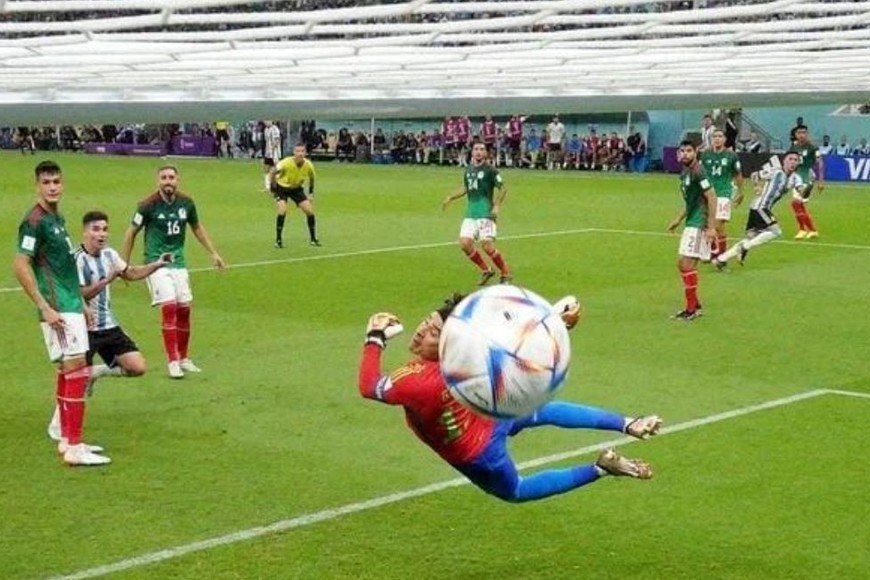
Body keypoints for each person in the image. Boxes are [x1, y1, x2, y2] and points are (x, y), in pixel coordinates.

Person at [358, 294, 661, 503]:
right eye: (427, 322)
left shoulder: (415, 381)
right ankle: (627, 423)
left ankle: (599, 468)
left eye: (433, 332)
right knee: (541, 411)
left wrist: (375, 337)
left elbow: (369, 386)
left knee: (516, 489)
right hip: (488, 412)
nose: (421, 331)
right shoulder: (466, 356)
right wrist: (552, 320)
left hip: (478, 452)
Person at [46, 210, 172, 442]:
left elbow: (131, 273)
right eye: (96, 229)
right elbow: (80, 293)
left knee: (138, 367)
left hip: (109, 326)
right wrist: (108, 279)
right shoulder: (75, 259)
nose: (101, 234)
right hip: (83, 328)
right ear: (85, 232)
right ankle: (57, 423)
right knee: (72, 376)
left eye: (104, 229)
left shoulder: (110, 255)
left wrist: (158, 264)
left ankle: (97, 372)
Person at [13, 161, 108, 466]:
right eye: (46, 182)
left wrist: (80, 302)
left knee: (71, 368)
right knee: (76, 368)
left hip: (69, 303)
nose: (52, 186)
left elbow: (63, 267)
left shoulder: (58, 218)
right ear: (37, 186)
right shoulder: (35, 221)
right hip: (57, 307)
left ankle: (68, 440)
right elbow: (20, 264)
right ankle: (74, 445)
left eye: (56, 181)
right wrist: (44, 306)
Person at [121, 165, 225, 379]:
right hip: (156, 263)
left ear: (178, 180)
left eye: (171, 177)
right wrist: (125, 265)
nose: (168, 181)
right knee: (169, 306)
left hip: (178, 263)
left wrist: (213, 253)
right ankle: (173, 361)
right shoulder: (147, 205)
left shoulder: (186, 203)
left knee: (184, 309)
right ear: (158, 180)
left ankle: (184, 358)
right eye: (164, 178)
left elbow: (197, 227)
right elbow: (131, 232)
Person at [714, 152, 804, 268]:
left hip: (760, 208)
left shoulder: (796, 178)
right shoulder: (775, 171)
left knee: (750, 238)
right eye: (790, 159)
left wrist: (805, 189)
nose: (792, 162)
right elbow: (755, 175)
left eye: (795, 160)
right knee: (776, 232)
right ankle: (744, 248)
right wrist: (757, 186)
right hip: (760, 207)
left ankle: (720, 260)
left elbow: (801, 189)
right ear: (784, 161)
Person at [442, 142, 512, 286]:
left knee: (487, 246)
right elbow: (466, 188)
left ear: (486, 153)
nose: (478, 152)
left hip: (485, 213)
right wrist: (451, 197)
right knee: (464, 244)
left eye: (481, 149)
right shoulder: (469, 170)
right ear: (472, 152)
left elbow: (503, 188)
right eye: (476, 149)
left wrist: (497, 206)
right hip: (470, 214)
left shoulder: (491, 170)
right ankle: (486, 270)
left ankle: (505, 273)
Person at [667, 140, 717, 321]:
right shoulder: (685, 172)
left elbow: (712, 197)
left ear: (695, 152)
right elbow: (692, 201)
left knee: (685, 264)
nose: (685, 154)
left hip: (699, 223)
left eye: (689, 151)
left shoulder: (699, 171)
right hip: (691, 221)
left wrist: (711, 227)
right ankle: (694, 305)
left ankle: (691, 309)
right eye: (682, 151)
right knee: (685, 265)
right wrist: (678, 219)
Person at [700, 129, 744, 260]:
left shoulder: (731, 155)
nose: (717, 139)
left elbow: (737, 174)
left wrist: (741, 192)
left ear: (724, 139)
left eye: (720, 136)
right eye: (715, 136)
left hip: (724, 193)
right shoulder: (705, 154)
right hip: (708, 193)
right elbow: (701, 174)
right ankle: (714, 251)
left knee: (718, 224)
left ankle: (722, 256)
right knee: (708, 224)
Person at [269, 143, 320, 248]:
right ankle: (278, 240)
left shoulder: (308, 164)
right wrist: (273, 188)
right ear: (294, 152)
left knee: (309, 211)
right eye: (297, 151)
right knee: (282, 210)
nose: (300, 154)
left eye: (302, 151)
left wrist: (311, 193)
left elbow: (312, 178)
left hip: (296, 189)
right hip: (281, 188)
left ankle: (313, 239)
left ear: (305, 153)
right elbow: (273, 172)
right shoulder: (286, 162)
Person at [789, 125, 825, 240]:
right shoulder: (793, 147)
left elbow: (820, 163)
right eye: (799, 133)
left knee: (796, 203)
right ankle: (807, 230)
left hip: (807, 178)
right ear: (795, 134)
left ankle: (806, 230)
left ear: (807, 134)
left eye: (804, 132)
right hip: (796, 178)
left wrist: (821, 180)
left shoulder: (812, 148)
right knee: (799, 206)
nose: (801, 135)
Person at [262, 121, 282, 191]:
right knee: (266, 169)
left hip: (275, 153)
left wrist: (273, 149)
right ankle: (267, 187)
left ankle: (277, 185)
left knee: (276, 169)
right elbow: (267, 141)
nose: (266, 122)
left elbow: (277, 140)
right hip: (268, 152)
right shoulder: (265, 130)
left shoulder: (275, 129)